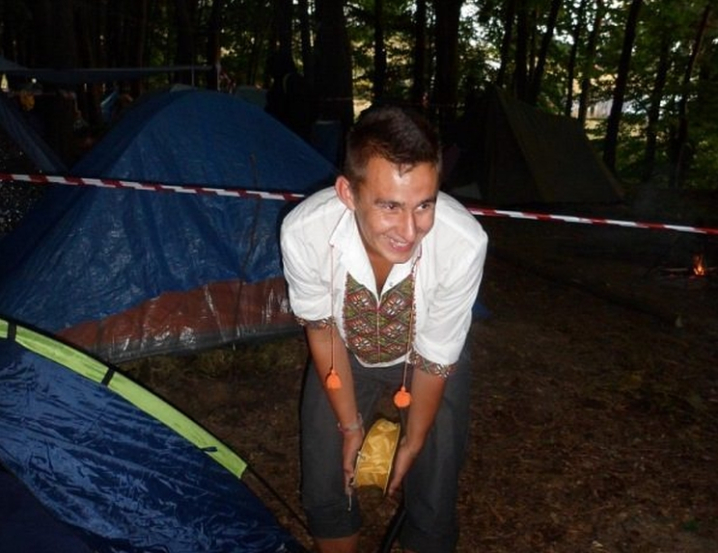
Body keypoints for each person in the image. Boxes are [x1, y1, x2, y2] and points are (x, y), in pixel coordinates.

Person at [280, 106, 488, 553]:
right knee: (324, 478)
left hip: (426, 357)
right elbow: (323, 330)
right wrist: (349, 426)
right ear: (348, 193)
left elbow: (436, 355)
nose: (410, 230)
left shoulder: (463, 243)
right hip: (342, 348)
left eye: (424, 204)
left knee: (434, 486)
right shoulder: (304, 232)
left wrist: (413, 441)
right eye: (390, 206)